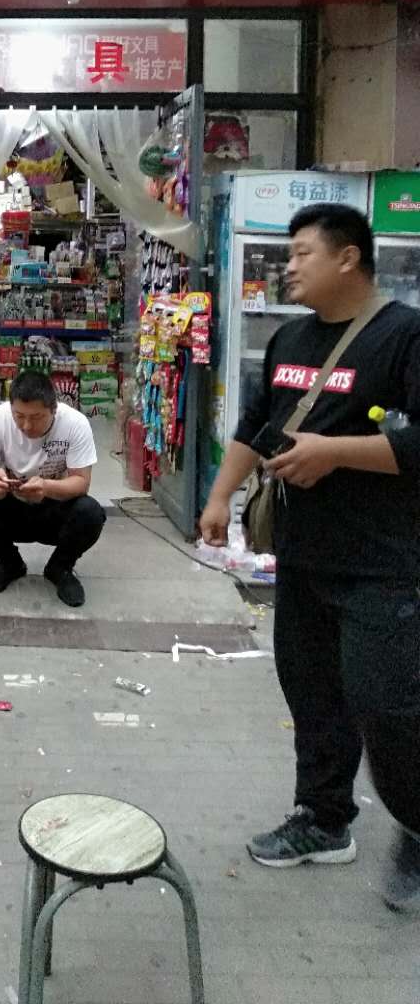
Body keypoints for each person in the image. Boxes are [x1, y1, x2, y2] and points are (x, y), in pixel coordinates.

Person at [199, 204, 420, 913]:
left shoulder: (404, 335)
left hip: (386, 563)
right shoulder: (290, 337)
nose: (287, 266)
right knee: (313, 696)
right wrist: (219, 498)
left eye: (301, 253)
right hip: (302, 557)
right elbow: (256, 425)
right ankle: (324, 820)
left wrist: (335, 453)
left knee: (386, 704)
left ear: (348, 257)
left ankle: (416, 822)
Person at [0, 370, 106, 607]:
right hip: (11, 509)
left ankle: (60, 567)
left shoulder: (75, 423)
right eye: (19, 416)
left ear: (54, 409)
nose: (26, 426)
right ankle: (8, 562)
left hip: (54, 510)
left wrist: (46, 487)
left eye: (36, 417)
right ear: (11, 408)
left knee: (91, 512)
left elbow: (81, 482)